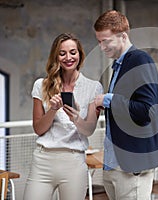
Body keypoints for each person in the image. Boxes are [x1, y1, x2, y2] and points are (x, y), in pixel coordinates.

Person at [93, 10, 158, 199]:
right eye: (99, 42)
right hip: (114, 165)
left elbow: (146, 111)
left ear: (123, 36)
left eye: (106, 41)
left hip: (132, 168)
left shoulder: (140, 59)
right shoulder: (120, 64)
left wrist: (109, 99)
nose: (102, 47)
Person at [23, 33, 103, 200]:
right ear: (56, 56)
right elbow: (39, 129)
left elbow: (89, 130)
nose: (68, 57)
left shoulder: (93, 88)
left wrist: (75, 118)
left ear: (80, 54)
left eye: (73, 52)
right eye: (62, 53)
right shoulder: (41, 85)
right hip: (43, 161)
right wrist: (52, 110)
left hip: (73, 162)